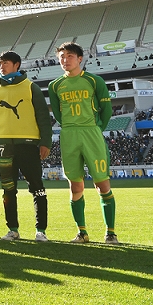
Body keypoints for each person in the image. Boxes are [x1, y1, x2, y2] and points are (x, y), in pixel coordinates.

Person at [48, 42, 118, 244]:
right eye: (62, 56)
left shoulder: (94, 81)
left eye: (70, 56)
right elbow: (58, 114)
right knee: (75, 186)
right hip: (69, 135)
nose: (65, 60)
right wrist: (71, 127)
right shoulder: (55, 86)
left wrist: (95, 130)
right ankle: (82, 232)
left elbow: (106, 112)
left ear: (80, 58)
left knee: (102, 184)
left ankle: (110, 233)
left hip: (91, 134)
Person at [0, 50, 53, 241]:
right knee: (8, 189)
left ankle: (41, 230)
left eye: (6, 63)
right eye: (0, 63)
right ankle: (12, 229)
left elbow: (43, 116)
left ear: (17, 65)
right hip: (4, 146)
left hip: (29, 144)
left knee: (37, 187)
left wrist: (45, 142)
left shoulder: (31, 87)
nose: (2, 66)